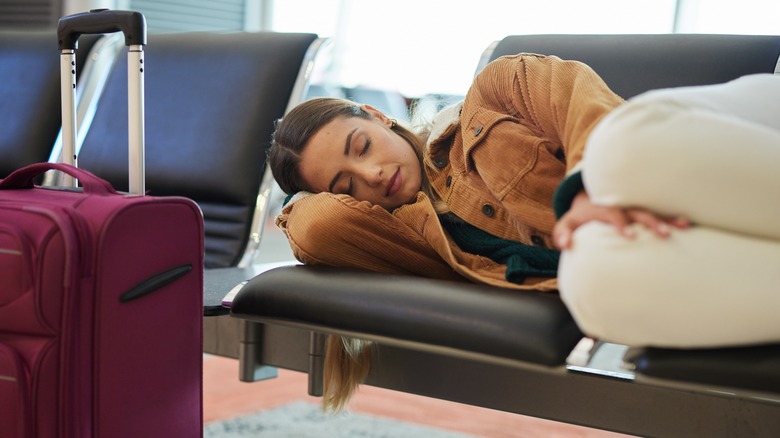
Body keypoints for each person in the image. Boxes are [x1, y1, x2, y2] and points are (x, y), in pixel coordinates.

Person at [268, 53, 780, 410]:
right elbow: (318, 227)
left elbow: (580, 100)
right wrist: (305, 199)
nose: (372, 176)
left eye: (361, 147)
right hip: (648, 238)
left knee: (622, 151)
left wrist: (585, 190)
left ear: (378, 117)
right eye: (345, 185)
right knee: (596, 290)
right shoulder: (412, 238)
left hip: (698, 146)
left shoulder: (488, 96)